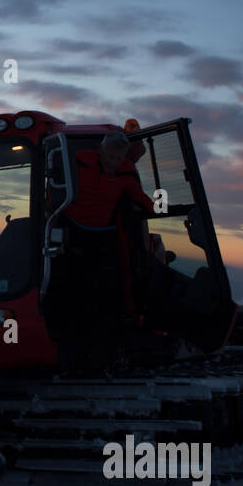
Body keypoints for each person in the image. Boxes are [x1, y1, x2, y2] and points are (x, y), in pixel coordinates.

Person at [48, 132, 157, 365]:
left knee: (104, 287)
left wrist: (161, 208)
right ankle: (66, 333)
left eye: (119, 157)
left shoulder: (127, 173)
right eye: (110, 156)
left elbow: (141, 198)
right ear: (101, 150)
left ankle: (103, 342)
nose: (114, 162)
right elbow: (55, 185)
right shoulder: (78, 160)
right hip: (73, 227)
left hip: (103, 234)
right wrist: (51, 212)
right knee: (67, 283)